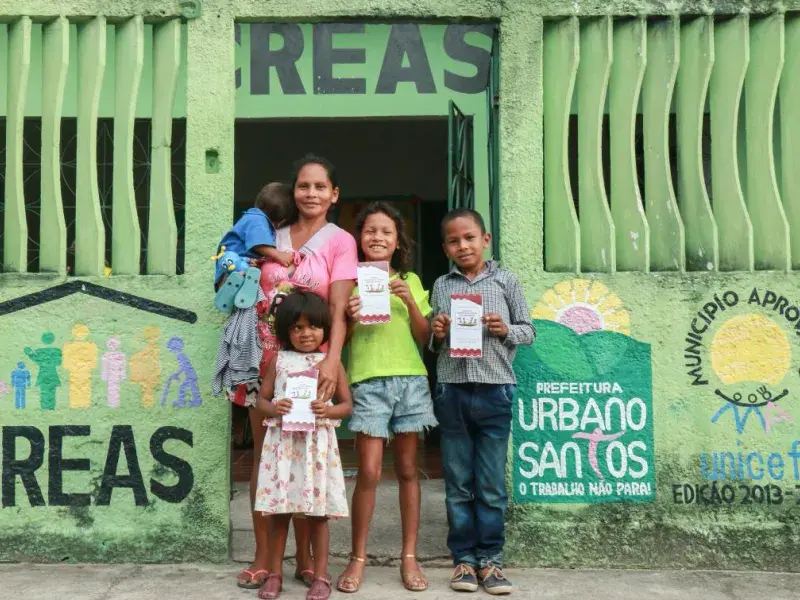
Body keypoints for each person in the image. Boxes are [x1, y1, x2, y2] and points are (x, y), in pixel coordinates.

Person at [235, 155, 358, 589]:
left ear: (333, 194)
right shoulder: (271, 232)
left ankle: (306, 559)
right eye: (303, 186)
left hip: (312, 363)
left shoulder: (340, 240)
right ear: (294, 191)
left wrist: (332, 359)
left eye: (320, 187)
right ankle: (263, 556)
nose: (311, 194)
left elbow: (340, 309)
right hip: (264, 357)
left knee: (307, 459)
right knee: (266, 458)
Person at [429, 208, 535, 596]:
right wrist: (438, 333)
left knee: (490, 486)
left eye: (470, 238)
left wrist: (505, 329)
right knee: (458, 484)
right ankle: (463, 562)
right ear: (445, 248)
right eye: (454, 241)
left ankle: (491, 561)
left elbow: (529, 330)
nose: (463, 245)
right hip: (453, 390)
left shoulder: (506, 280)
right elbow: (433, 341)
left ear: (485, 240)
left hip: (495, 390)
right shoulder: (442, 285)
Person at [336, 202, 437, 594]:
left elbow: (424, 336)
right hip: (368, 382)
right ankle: (357, 557)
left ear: (398, 242)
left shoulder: (410, 280)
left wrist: (409, 301)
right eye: (370, 231)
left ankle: (408, 557)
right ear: (359, 239)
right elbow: (337, 331)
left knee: (410, 471)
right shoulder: (350, 283)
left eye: (387, 232)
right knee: (371, 473)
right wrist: (350, 313)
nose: (378, 237)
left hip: (411, 381)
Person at [254, 291, 352, 600]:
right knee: (280, 514)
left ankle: (321, 575)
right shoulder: (278, 360)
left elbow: (347, 405)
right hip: (284, 448)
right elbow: (261, 400)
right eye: (297, 328)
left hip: (316, 450)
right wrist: (276, 408)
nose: (305, 333)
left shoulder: (329, 363)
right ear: (286, 332)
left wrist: (328, 411)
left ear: (324, 328)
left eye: (312, 327)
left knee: (318, 515)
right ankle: (274, 574)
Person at [215, 182, 296, 286]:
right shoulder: (257, 220)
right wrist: (279, 255)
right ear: (280, 221)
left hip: (239, 266)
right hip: (232, 266)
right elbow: (258, 244)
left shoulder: (253, 217)